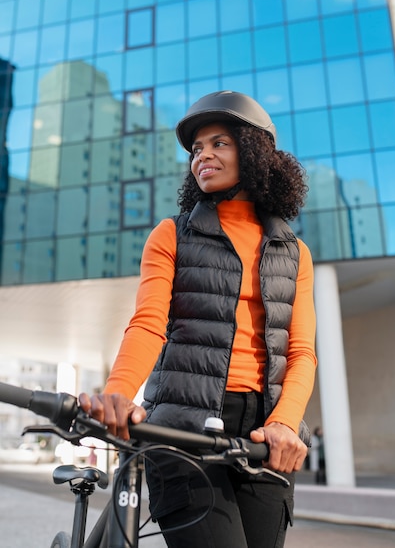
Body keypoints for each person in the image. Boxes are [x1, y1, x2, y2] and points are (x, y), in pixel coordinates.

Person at [79, 91, 317, 548]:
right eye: (196, 149)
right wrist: (118, 394)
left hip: (265, 433)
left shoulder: (294, 252)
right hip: (183, 426)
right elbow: (148, 323)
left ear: (253, 152)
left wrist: (285, 423)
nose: (202, 156)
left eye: (218, 143)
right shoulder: (171, 234)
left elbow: (300, 352)